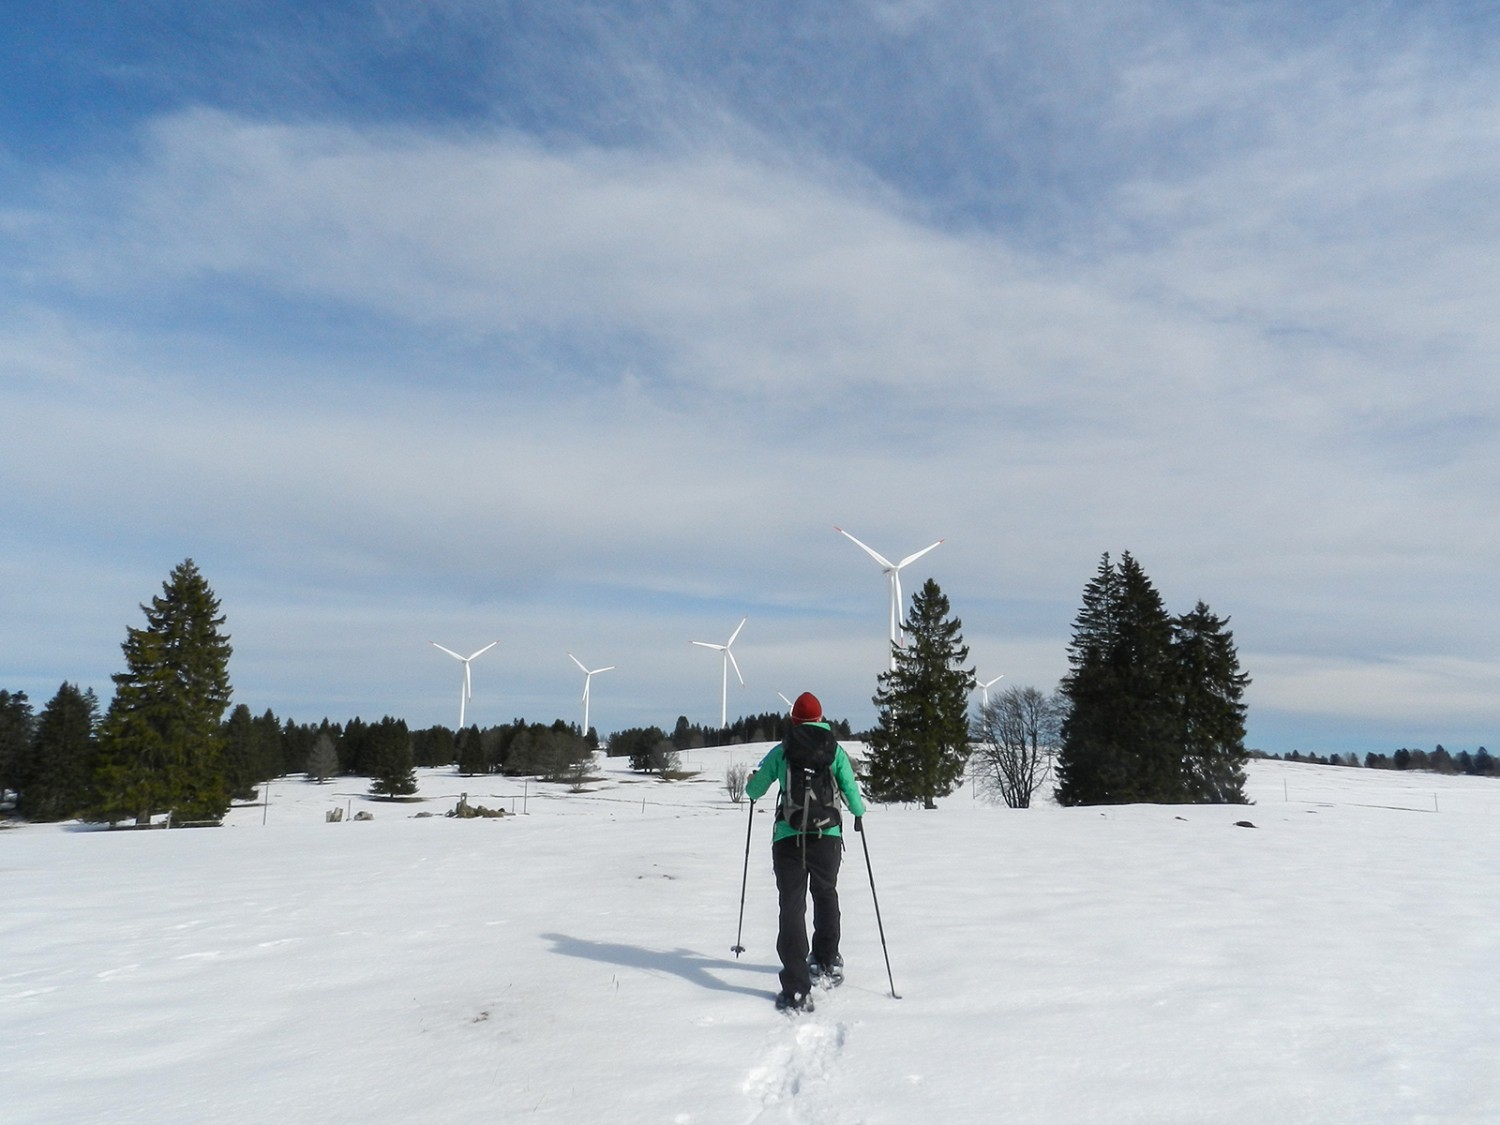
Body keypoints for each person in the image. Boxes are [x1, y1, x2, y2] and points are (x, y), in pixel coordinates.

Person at [744, 691, 867, 1013]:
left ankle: (797, 987)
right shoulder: (835, 750)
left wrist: (752, 782)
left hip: (788, 837)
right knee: (826, 894)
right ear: (821, 718)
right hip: (827, 836)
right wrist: (858, 812)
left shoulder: (783, 749)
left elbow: (754, 789)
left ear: (794, 720)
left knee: (791, 906)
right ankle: (827, 961)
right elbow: (852, 792)